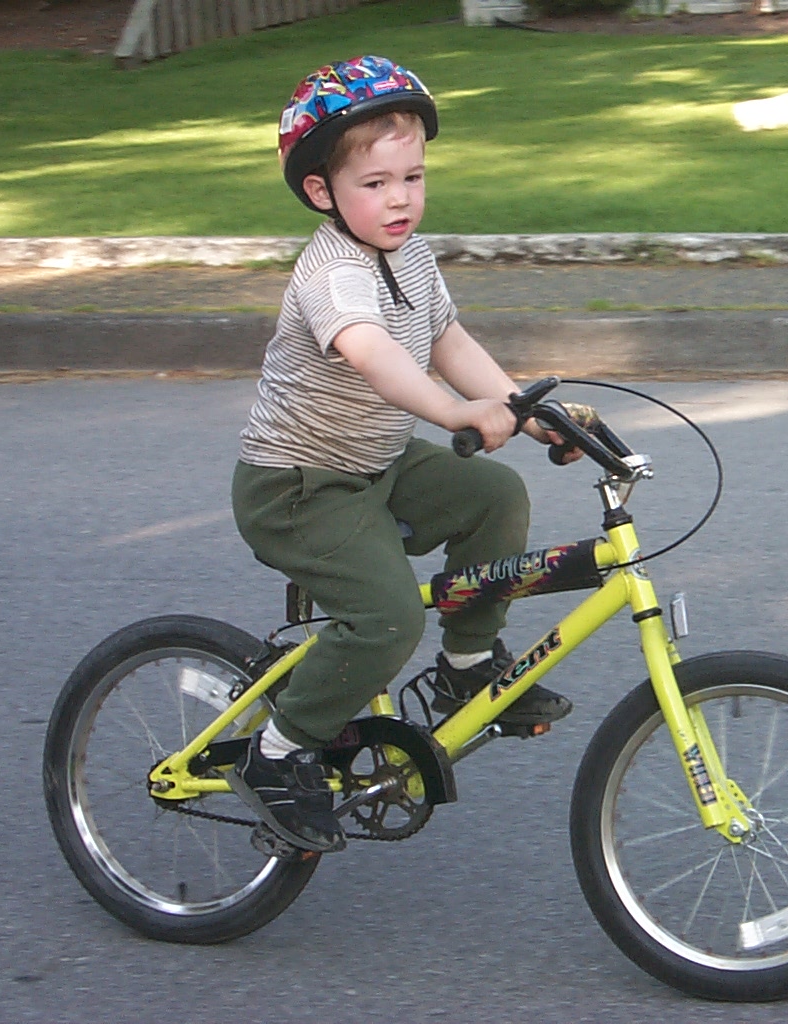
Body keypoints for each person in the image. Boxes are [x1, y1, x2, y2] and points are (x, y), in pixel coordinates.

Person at [229, 56, 575, 854]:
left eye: (413, 178)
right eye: (376, 183)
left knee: (495, 497)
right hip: (298, 485)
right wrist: (455, 412)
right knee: (387, 619)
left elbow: (447, 340)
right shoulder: (332, 272)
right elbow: (375, 355)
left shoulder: (411, 256)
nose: (400, 199)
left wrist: (526, 414)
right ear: (322, 191)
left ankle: (467, 664)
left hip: (378, 464)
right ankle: (276, 755)